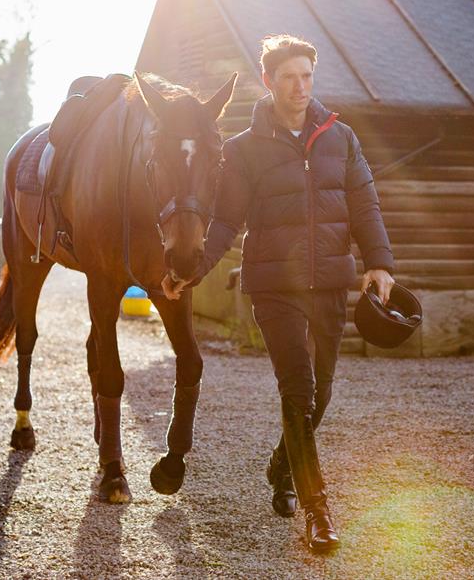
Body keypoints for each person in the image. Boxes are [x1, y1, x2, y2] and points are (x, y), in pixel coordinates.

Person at [162, 34, 395, 553]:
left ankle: (281, 464)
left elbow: (365, 203)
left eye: (307, 76)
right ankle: (317, 509)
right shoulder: (245, 150)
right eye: (289, 77)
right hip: (274, 286)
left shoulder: (342, 138)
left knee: (324, 392)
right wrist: (193, 270)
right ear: (268, 81)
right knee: (298, 390)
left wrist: (379, 264)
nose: (300, 87)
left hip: (332, 281)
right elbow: (226, 220)